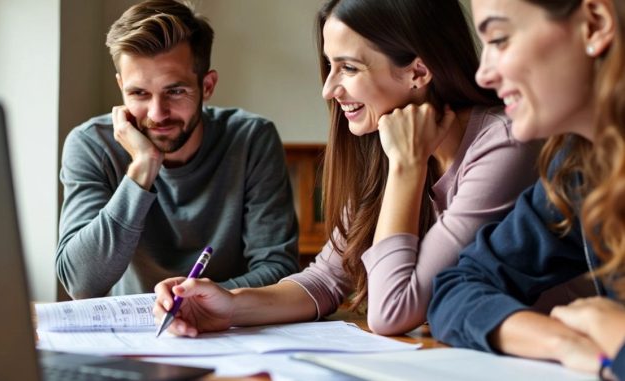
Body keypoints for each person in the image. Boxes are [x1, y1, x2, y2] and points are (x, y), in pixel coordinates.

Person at [152, 0, 545, 337]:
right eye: (329, 65)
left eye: (349, 68)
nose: (328, 89)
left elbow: (393, 311)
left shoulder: (503, 144)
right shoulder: (380, 143)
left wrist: (406, 168)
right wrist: (230, 305)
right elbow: (325, 279)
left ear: (418, 73)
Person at [427, 0, 625, 378]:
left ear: (595, 25)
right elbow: (456, 288)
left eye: (499, 39)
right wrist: (563, 342)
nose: (483, 74)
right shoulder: (578, 169)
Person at [56, 0, 299, 299]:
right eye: (139, 93)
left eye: (175, 91)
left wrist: (199, 301)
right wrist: (143, 166)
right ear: (121, 87)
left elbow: (278, 268)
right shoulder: (91, 144)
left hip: (229, 330)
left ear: (207, 86)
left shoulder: (251, 139)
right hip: (133, 337)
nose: (157, 114)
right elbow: (81, 283)